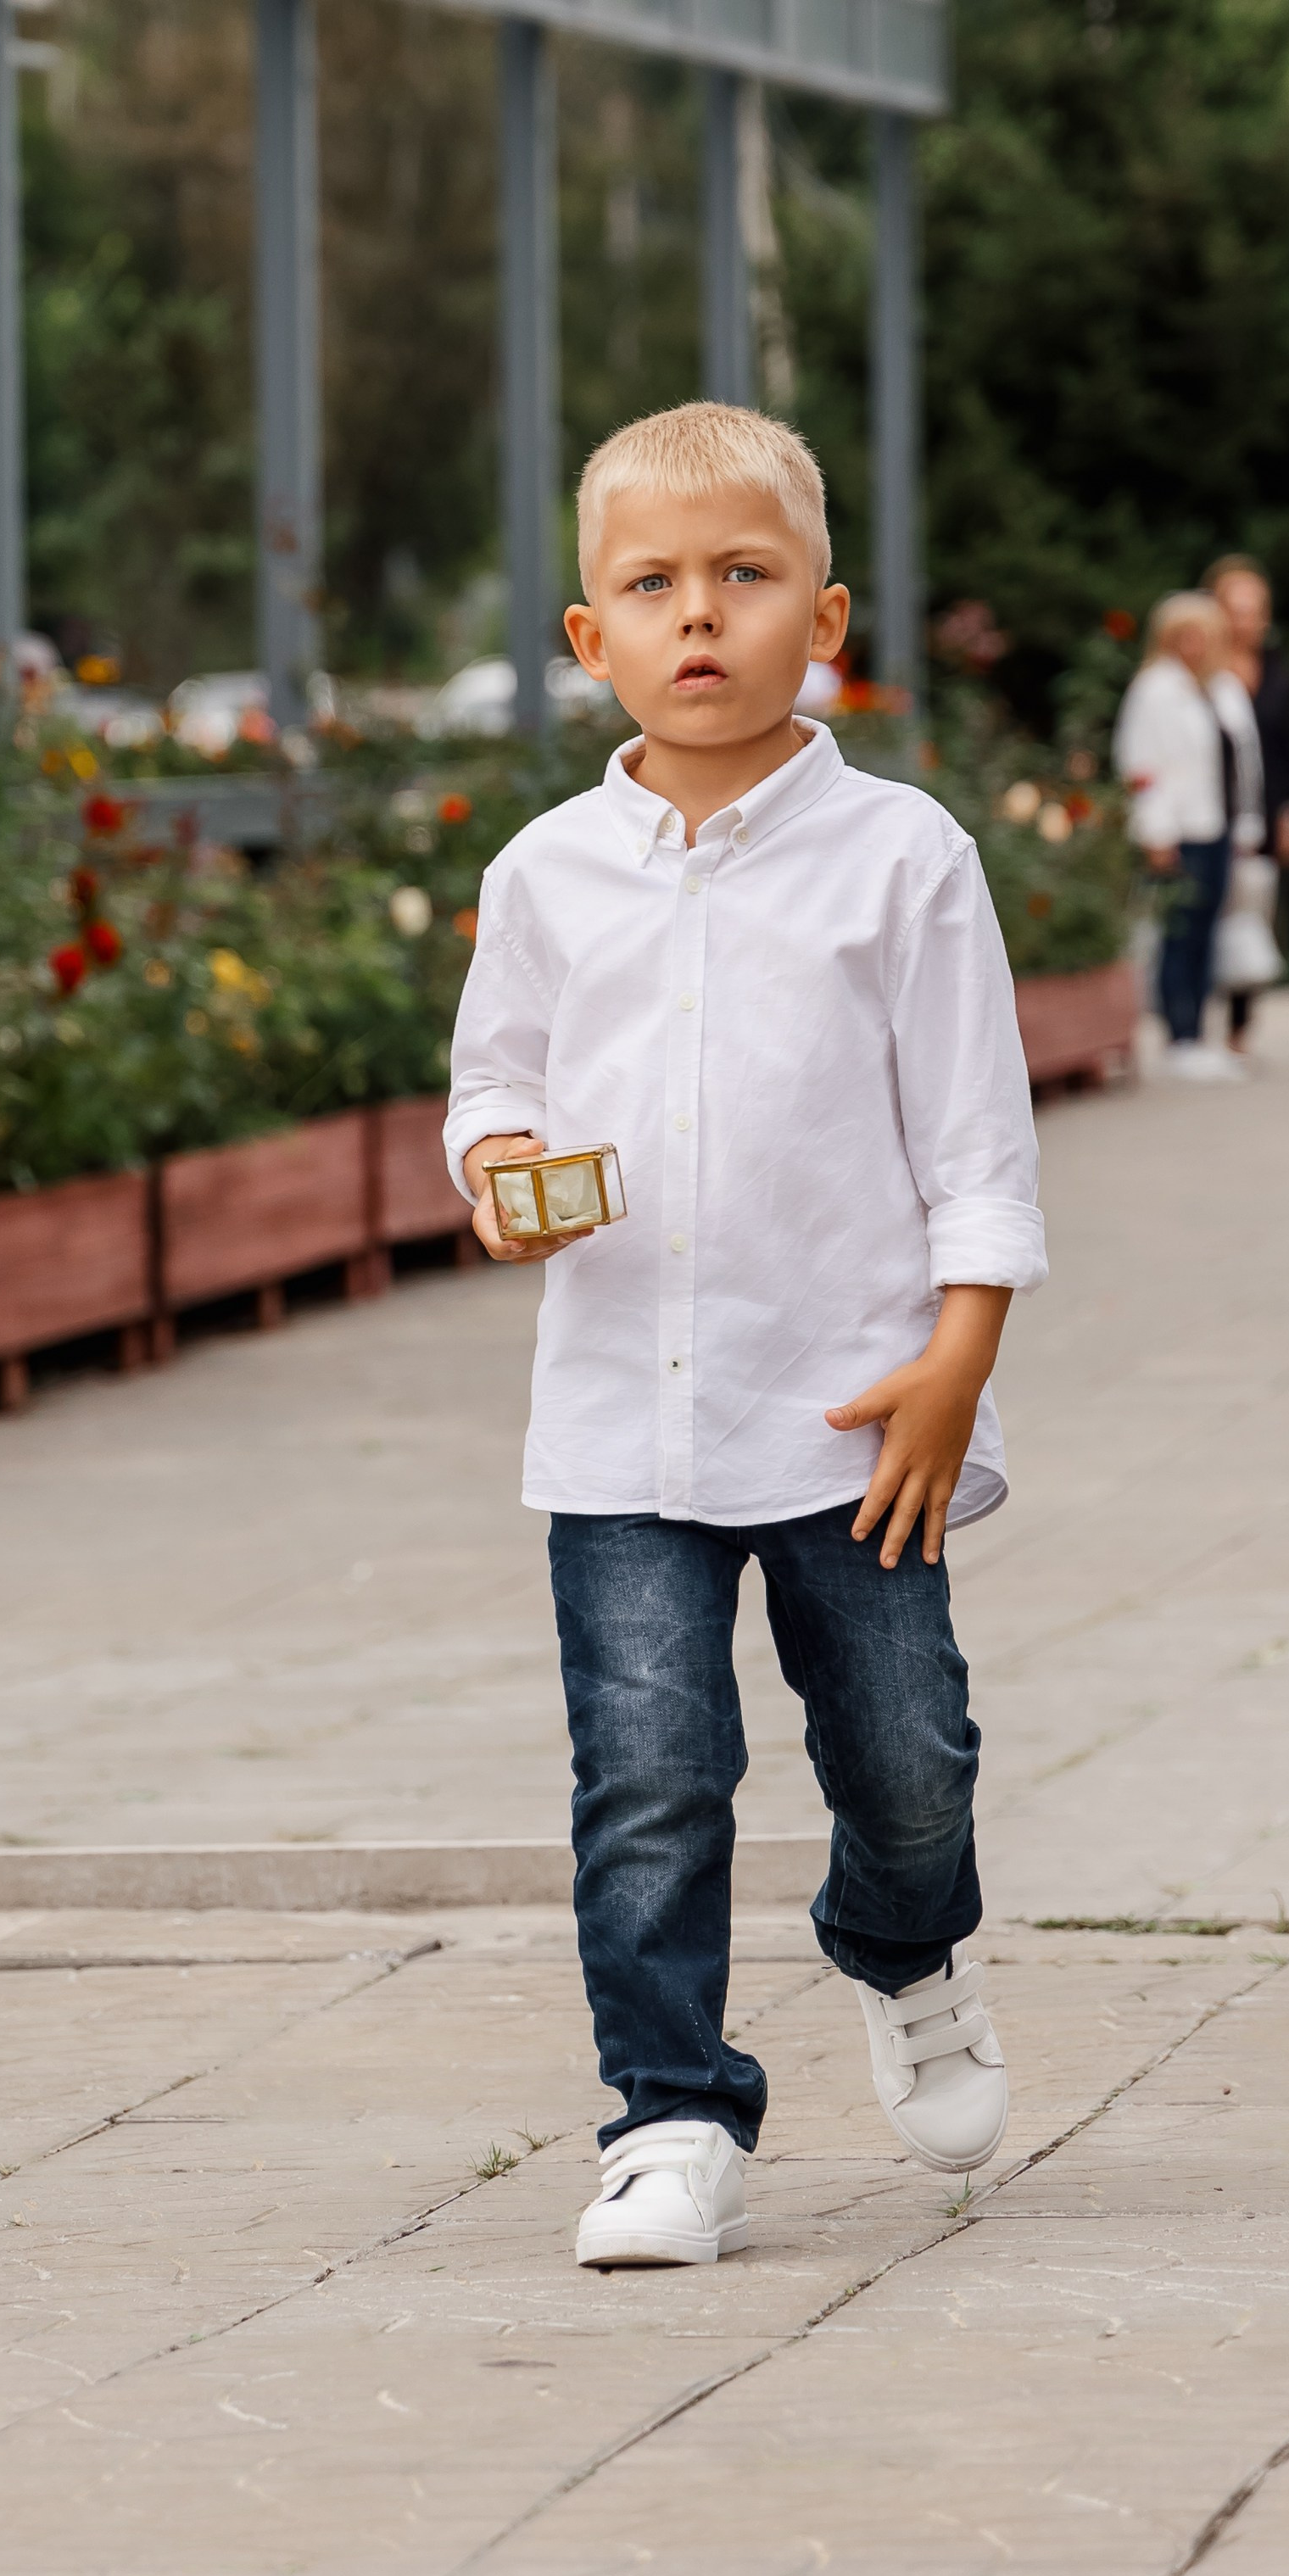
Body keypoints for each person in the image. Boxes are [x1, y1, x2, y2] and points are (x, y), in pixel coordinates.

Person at [445, 401, 1046, 2269]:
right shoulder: (545, 874)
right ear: (588, 639)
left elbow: (974, 1136)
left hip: (856, 1413)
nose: (696, 615)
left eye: (741, 576)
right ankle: (670, 2116)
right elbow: (489, 1089)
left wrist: (960, 1359)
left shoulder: (899, 858)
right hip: (622, 1422)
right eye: (650, 583)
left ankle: (896, 1945)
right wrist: (499, 1167)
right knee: (647, 1778)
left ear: (824, 617)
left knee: (908, 1757)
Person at [1112, 592, 1259, 1084]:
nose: (1195, 645)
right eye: (1185, 636)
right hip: (1179, 832)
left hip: (1218, 827)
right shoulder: (1154, 690)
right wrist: (1155, 831)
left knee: (1208, 936)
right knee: (1180, 935)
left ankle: (1200, 1033)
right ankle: (1179, 1037)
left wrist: (1248, 825)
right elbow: (1141, 765)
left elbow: (1244, 763)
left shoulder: (1223, 689)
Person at [1205, 555, 1289, 1062]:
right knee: (1205, 914)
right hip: (1207, 813)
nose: (1245, 620)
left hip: (1263, 812)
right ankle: (1194, 1025)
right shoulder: (1198, 672)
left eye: (1254, 609)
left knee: (1252, 916)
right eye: (1234, 608)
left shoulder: (1277, 672)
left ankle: (1240, 1028)